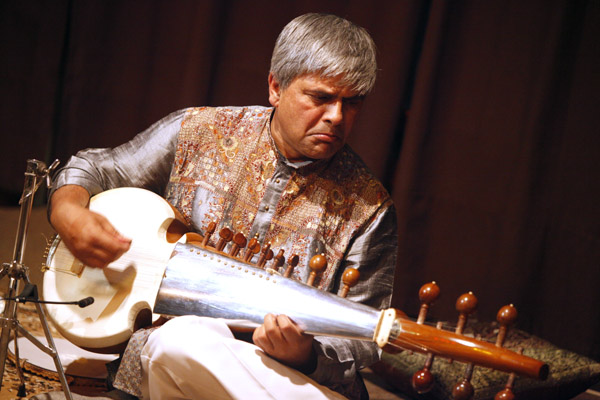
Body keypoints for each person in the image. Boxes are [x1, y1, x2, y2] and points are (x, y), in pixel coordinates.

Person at [48, 13, 397, 400]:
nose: (336, 117)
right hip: (175, 359)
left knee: (180, 342)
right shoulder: (200, 133)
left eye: (352, 103)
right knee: (180, 341)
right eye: (321, 98)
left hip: (282, 378)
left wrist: (307, 356)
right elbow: (96, 168)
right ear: (276, 87)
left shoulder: (369, 208)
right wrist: (68, 212)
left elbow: (363, 341)